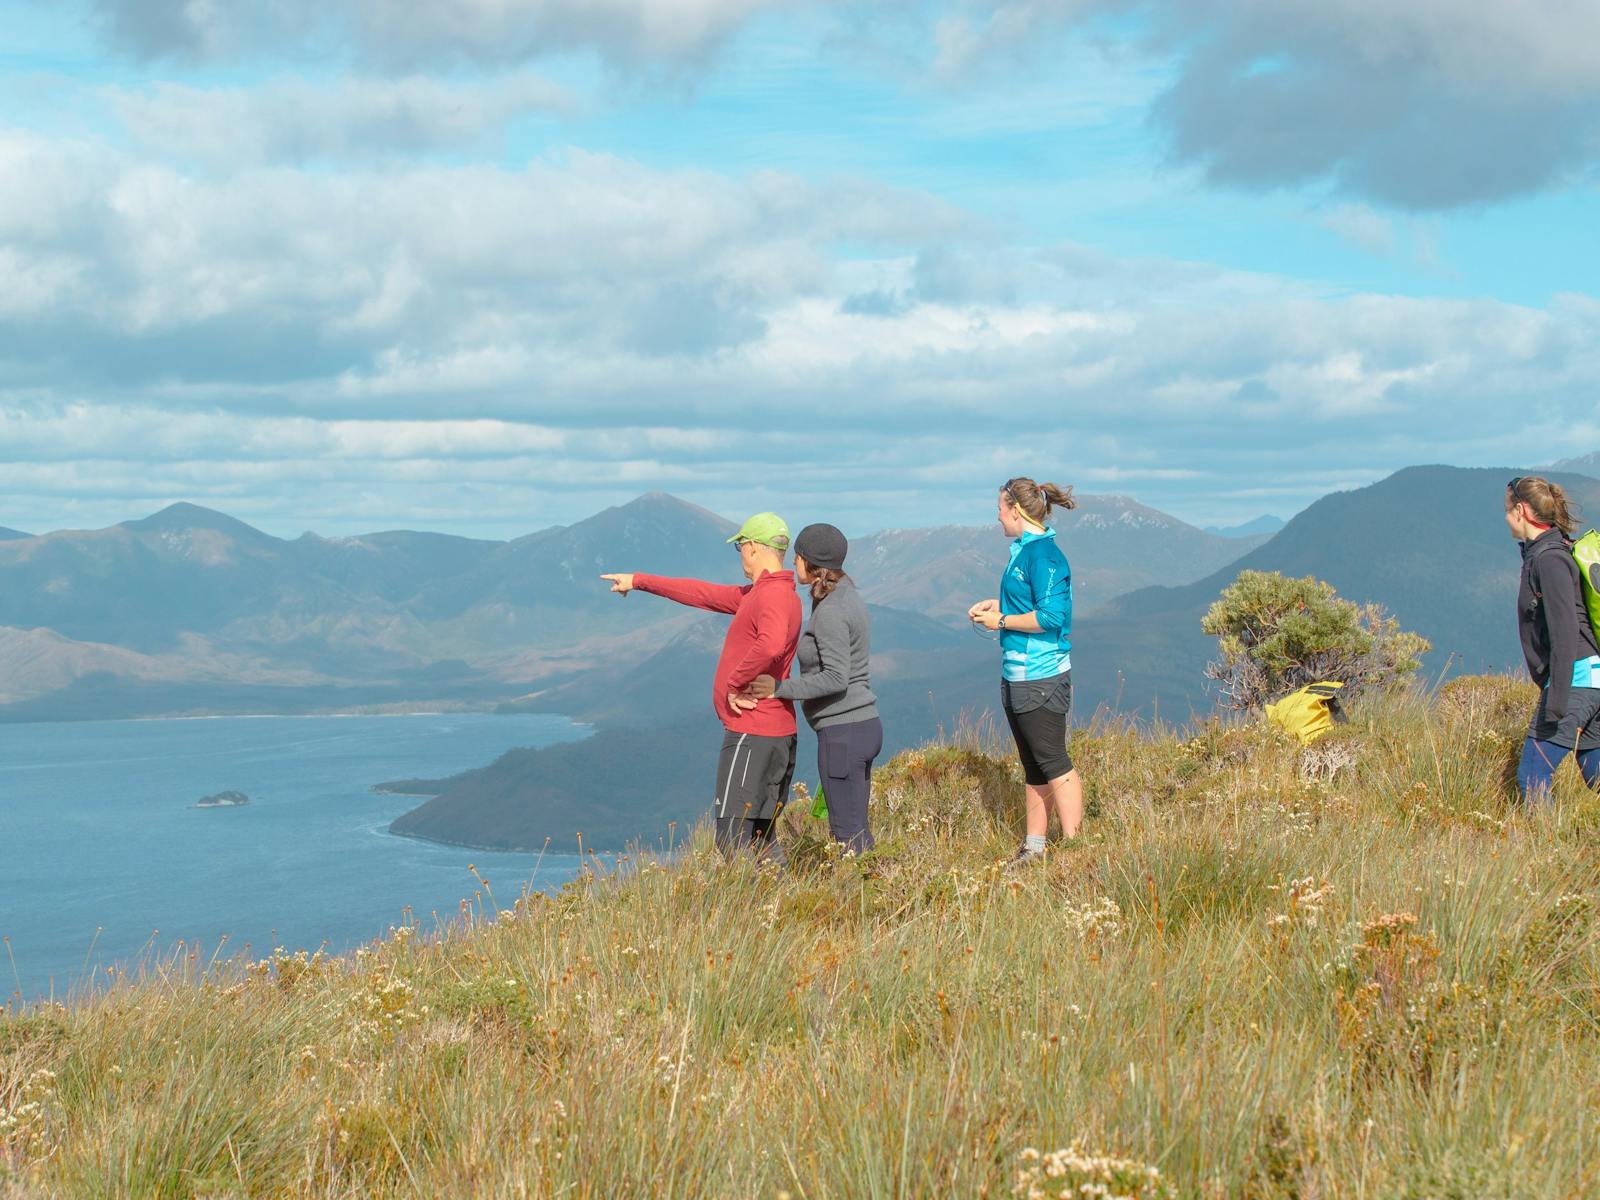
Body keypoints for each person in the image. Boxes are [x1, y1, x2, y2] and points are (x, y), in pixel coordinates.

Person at [601, 513, 802, 861]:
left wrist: (734, 684)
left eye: (740, 547)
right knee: (760, 838)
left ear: (752, 547)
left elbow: (769, 645)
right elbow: (702, 593)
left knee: (731, 839)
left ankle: (757, 910)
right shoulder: (766, 594)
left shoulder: (770, 597)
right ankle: (783, 908)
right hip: (772, 733)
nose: (740, 554)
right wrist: (639, 580)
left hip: (752, 733)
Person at [743, 523, 882, 854]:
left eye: (798, 557)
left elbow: (836, 677)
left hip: (842, 735)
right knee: (857, 829)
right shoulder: (846, 597)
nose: (793, 563)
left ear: (811, 562)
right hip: (862, 727)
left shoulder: (832, 610)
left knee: (847, 834)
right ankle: (878, 892)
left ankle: (860, 900)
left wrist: (779, 688)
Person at [967, 477, 1084, 867]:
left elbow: (1052, 616)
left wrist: (1000, 621)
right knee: (1033, 764)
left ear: (1015, 510)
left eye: (1000, 510)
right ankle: (1034, 846)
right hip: (1018, 675)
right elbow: (1027, 600)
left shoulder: (1045, 556)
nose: (997, 518)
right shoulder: (1023, 551)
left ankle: (1074, 849)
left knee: (1053, 762)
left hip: (1041, 675)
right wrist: (997, 604)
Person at [1506, 476, 1600, 799]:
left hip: (1574, 682)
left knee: (1533, 776)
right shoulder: (1545, 553)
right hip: (1589, 682)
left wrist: (1555, 704)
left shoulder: (1550, 560)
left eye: (1507, 509)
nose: (1506, 517)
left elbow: (1565, 631)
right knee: (1596, 775)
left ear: (1521, 511)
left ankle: (1547, 849)